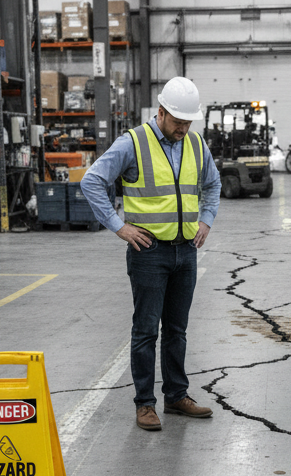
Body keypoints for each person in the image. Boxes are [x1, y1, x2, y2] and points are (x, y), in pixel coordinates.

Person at [80, 76, 222, 431]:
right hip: (148, 252)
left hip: (185, 251)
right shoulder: (133, 143)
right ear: (161, 113)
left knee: (177, 329)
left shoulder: (195, 144)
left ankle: (176, 396)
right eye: (178, 122)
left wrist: (206, 219)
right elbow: (92, 181)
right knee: (146, 331)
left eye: (189, 122)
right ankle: (145, 404)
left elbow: (213, 182)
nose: (183, 128)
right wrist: (119, 226)